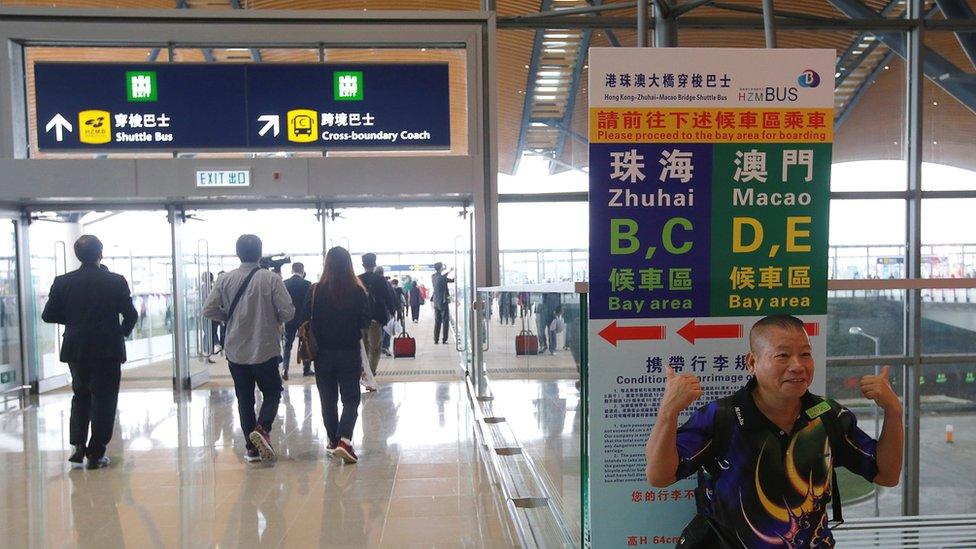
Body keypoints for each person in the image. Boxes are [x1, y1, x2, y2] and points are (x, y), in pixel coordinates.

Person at [644, 314, 903, 547]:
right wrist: (669, 411)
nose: (797, 365)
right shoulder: (721, 418)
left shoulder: (828, 416)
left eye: (805, 354)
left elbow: (886, 474)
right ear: (752, 362)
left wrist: (894, 412)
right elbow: (660, 476)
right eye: (782, 355)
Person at [41, 235, 138, 469]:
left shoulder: (63, 281)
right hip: (107, 349)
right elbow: (131, 314)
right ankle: (96, 453)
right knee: (104, 399)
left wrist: (75, 322)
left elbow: (48, 315)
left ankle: (78, 445)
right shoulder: (115, 281)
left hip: (76, 348)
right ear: (100, 253)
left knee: (81, 394)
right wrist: (120, 332)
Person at [203, 234, 294, 463]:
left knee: (244, 399)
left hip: (236, 350)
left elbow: (208, 309)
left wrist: (227, 318)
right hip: (265, 348)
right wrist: (273, 318)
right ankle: (262, 429)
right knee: (273, 392)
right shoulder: (271, 279)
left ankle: (251, 449)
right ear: (260, 253)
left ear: (237, 253)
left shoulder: (225, 280)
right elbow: (288, 312)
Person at [302, 246, 371, 464]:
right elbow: (365, 321)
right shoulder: (357, 291)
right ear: (349, 265)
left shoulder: (315, 290)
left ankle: (333, 441)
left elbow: (305, 317)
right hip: (349, 352)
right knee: (351, 398)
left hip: (322, 354)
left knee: (327, 400)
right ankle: (344, 440)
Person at [358, 253, 394, 377]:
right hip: (375, 318)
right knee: (375, 348)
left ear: (363, 265)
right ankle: (370, 373)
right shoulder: (380, 280)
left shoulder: (358, 279)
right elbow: (388, 297)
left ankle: (366, 370)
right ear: (374, 264)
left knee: (365, 347)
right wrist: (393, 311)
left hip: (360, 319)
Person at [281, 262, 312, 380]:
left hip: (289, 318)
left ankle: (285, 368)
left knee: (287, 345)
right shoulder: (307, 284)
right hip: (303, 319)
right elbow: (309, 303)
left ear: (292, 270)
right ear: (302, 271)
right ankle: (306, 369)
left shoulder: (285, 284)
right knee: (306, 343)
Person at [430, 262, 454, 344]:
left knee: (437, 321)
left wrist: (448, 271)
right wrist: (451, 272)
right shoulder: (442, 278)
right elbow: (451, 280)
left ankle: (436, 339)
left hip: (436, 302)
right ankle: (444, 339)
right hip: (443, 302)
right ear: (440, 268)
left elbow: (443, 277)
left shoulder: (433, 277)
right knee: (445, 320)